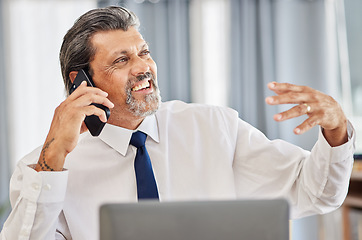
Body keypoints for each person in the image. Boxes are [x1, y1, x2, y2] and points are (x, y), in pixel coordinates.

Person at [0, 6, 355, 240]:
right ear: (83, 82)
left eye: (144, 52)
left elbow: (316, 193)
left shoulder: (214, 127)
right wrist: (53, 157)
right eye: (121, 60)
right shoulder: (45, 169)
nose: (143, 67)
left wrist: (336, 130)